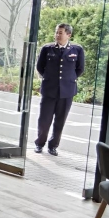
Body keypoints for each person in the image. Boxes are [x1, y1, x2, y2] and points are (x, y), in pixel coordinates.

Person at [35, 23, 85, 156]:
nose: (57, 35)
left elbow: (80, 69)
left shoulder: (77, 49)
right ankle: (39, 143)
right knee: (44, 120)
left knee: (60, 121)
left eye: (60, 33)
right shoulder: (47, 48)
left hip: (66, 92)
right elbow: (40, 67)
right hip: (49, 90)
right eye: (56, 32)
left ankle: (53, 146)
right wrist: (49, 78)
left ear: (69, 35)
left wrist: (68, 80)